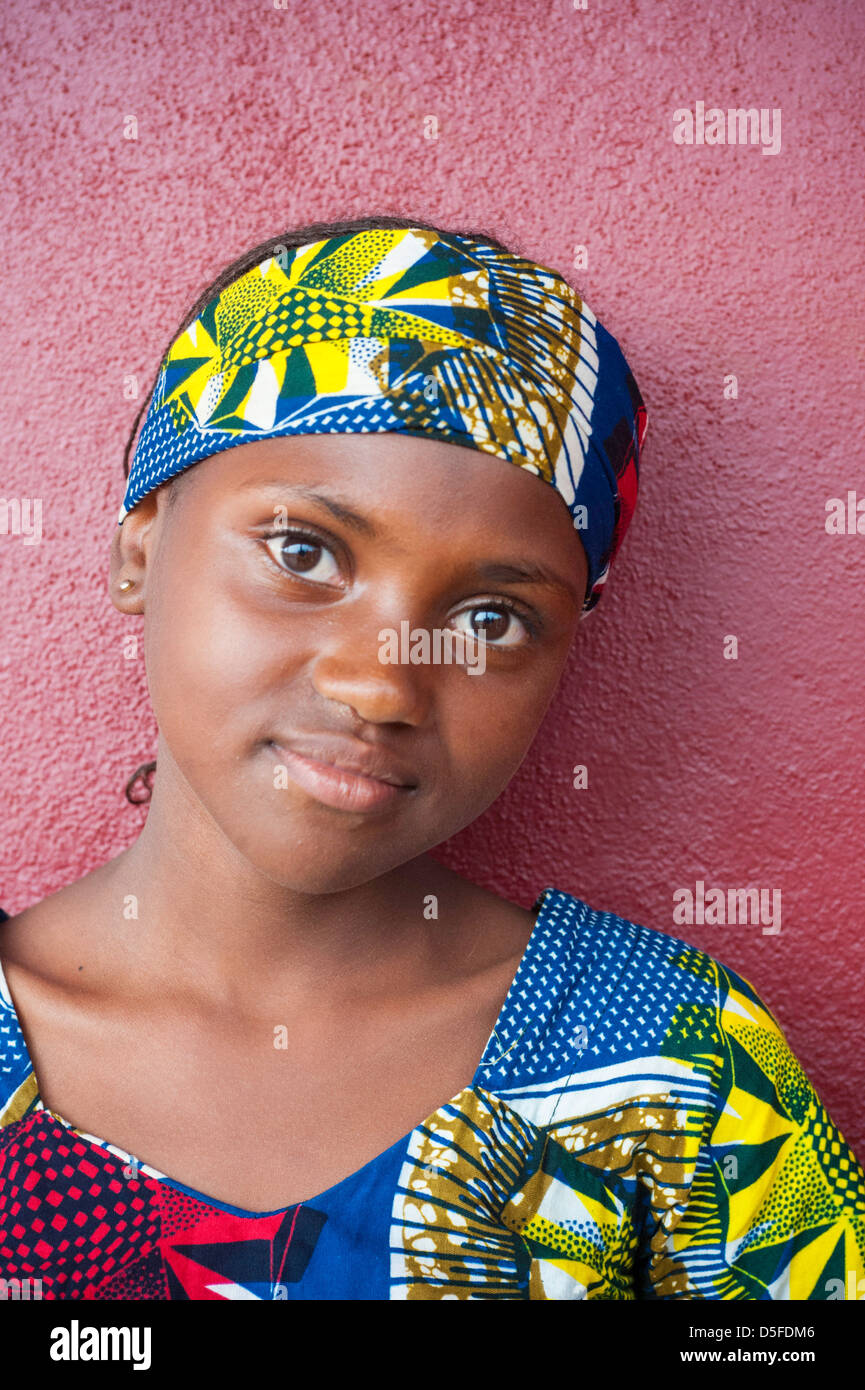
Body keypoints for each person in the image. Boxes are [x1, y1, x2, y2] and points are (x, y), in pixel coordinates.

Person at [0, 215, 861, 1302]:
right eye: (303, 552)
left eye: (492, 618)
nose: (381, 684)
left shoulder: (684, 1073)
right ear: (140, 545)